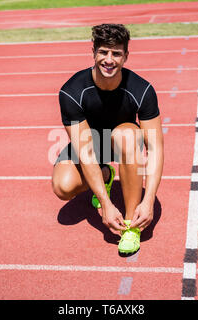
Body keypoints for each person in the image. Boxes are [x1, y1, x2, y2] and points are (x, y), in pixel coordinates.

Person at [52, 23, 164, 255]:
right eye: (103, 52)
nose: (109, 60)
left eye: (116, 53)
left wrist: (149, 200)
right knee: (63, 187)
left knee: (127, 136)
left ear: (126, 56)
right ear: (93, 51)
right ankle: (106, 175)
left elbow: (155, 149)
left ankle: (131, 226)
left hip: (124, 141)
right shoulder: (71, 92)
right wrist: (106, 203)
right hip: (91, 146)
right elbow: (85, 152)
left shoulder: (142, 89)